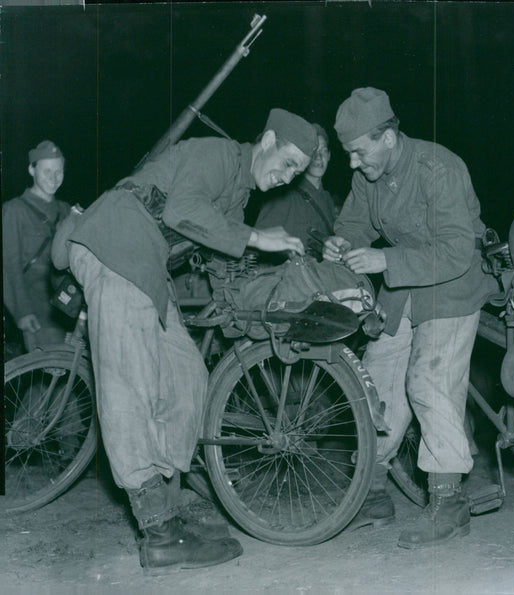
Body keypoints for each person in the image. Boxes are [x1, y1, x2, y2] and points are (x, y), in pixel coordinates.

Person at [65, 108, 317, 573]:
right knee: (129, 383)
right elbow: (184, 211)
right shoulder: (218, 154)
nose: (286, 177)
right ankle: (158, 530)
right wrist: (259, 238)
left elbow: (224, 257)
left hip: (146, 264)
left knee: (188, 376)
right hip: (116, 242)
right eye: (286, 162)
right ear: (266, 141)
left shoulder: (239, 196)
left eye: (297, 173)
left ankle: (169, 509)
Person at [323, 87, 496, 549]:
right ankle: (372, 490)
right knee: (375, 381)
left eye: (359, 152)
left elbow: (458, 249)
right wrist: (341, 242)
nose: (354, 164)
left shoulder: (437, 168)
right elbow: (355, 223)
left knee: (427, 380)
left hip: (453, 285)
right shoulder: (369, 176)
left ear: (388, 137)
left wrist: (385, 262)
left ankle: (449, 500)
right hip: (404, 290)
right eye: (349, 155)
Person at [3, 140, 72, 352]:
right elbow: (8, 266)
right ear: (32, 169)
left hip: (67, 306)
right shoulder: (14, 210)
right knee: (45, 376)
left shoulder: (66, 210)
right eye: (47, 171)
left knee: (72, 377)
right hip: (35, 308)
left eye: (59, 171)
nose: (54, 178)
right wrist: (21, 311)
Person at [254, 123, 338, 259]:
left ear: (329, 155)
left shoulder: (328, 199)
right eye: (314, 152)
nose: (318, 158)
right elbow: (261, 241)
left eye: (323, 151)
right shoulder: (283, 196)